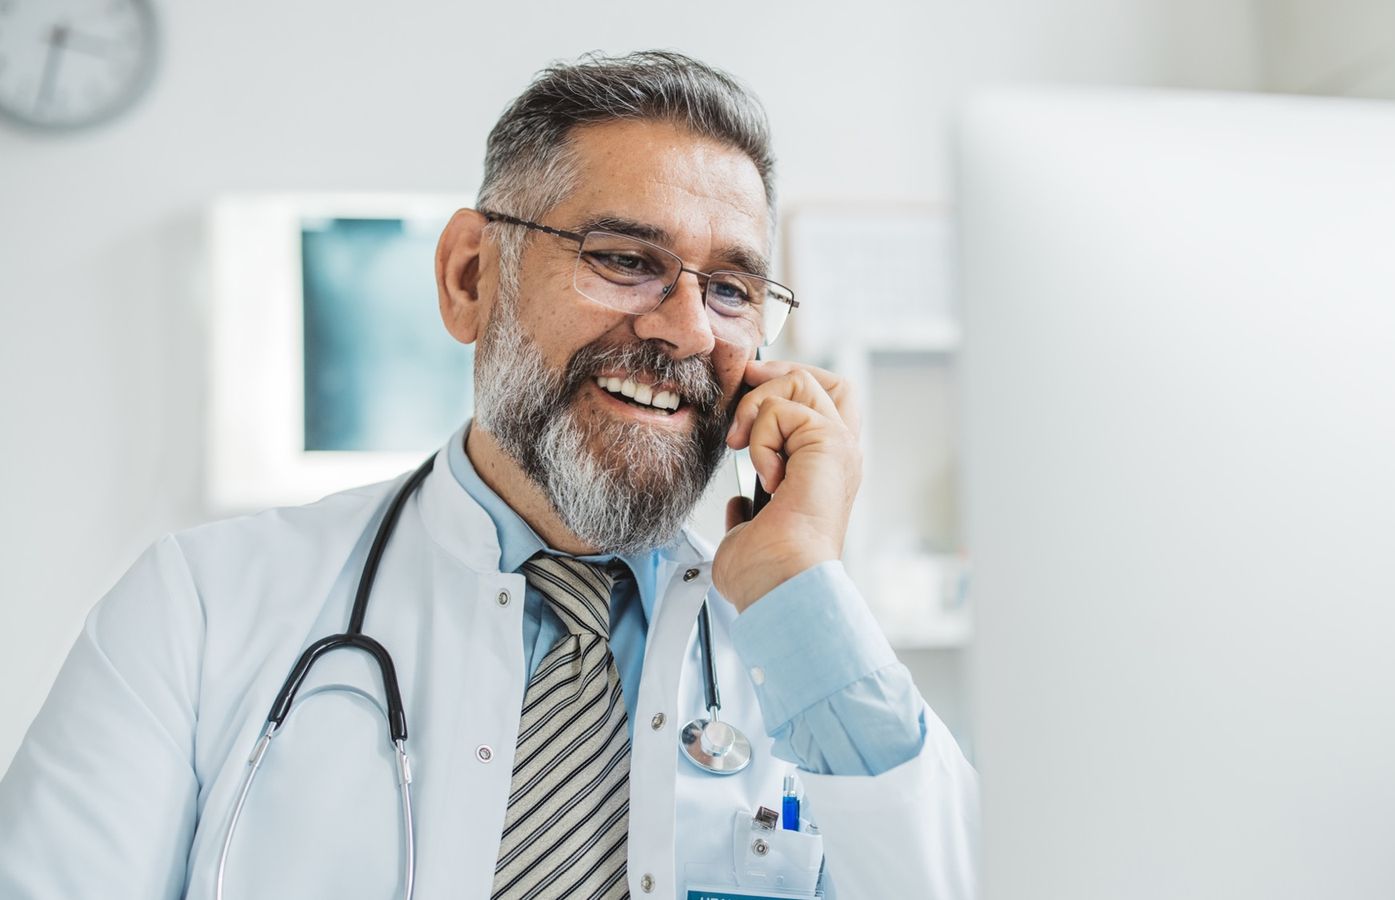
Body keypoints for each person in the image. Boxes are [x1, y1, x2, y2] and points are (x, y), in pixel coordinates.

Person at [0, 50, 978, 898]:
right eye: (624, 257)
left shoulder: (805, 659)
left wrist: (799, 582)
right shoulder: (201, 612)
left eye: (730, 288)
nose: (688, 328)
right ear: (471, 275)